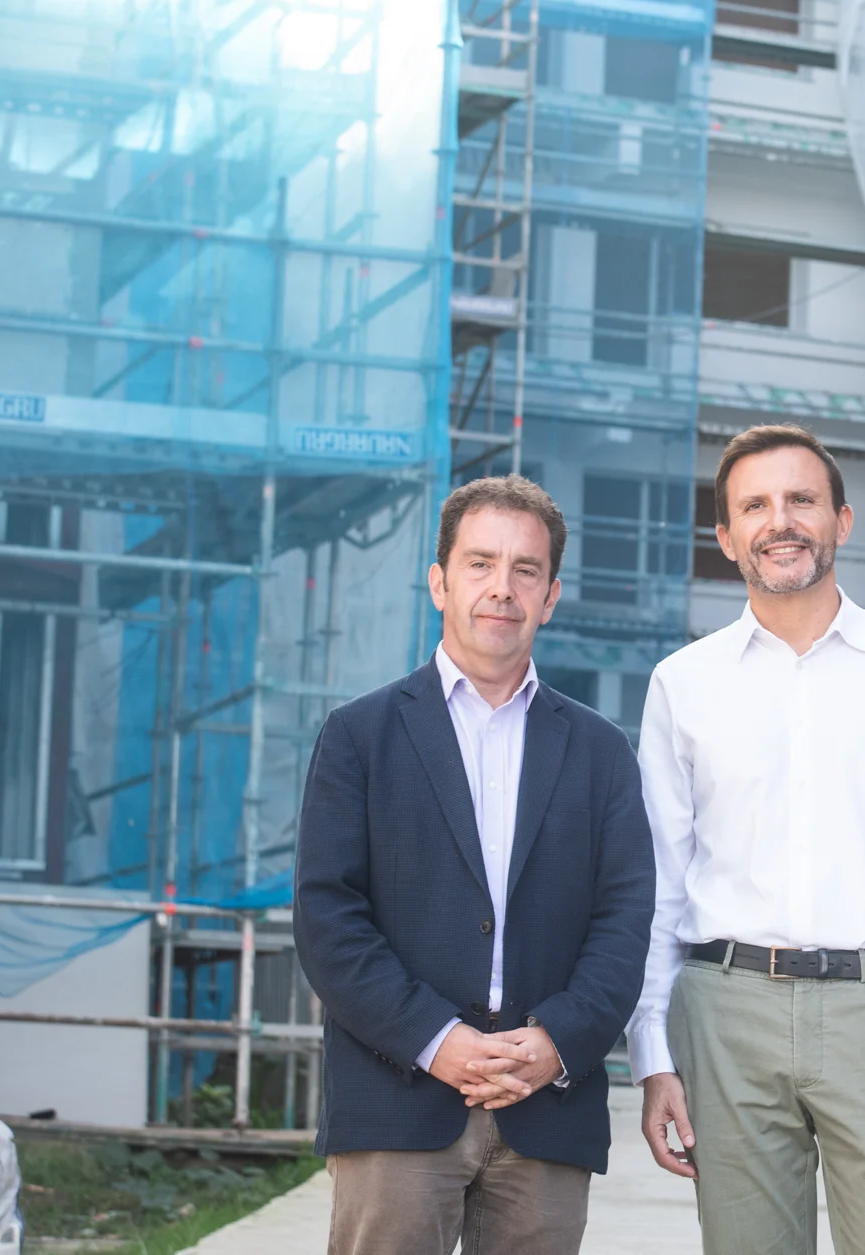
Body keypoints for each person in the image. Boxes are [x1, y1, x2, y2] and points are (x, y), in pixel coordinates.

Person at [632, 424, 865, 1255]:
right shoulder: (682, 685)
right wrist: (652, 1051)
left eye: (801, 499)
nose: (780, 521)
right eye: (754, 506)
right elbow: (658, 885)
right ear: (727, 536)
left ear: (842, 519)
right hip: (725, 1012)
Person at [294, 474, 656, 1255]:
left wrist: (557, 1040)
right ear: (440, 582)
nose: (502, 587)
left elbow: (625, 922)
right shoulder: (359, 735)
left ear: (550, 596)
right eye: (481, 563)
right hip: (398, 1098)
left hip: (546, 1107)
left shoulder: (600, 751)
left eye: (526, 569)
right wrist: (436, 1037)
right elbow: (328, 918)